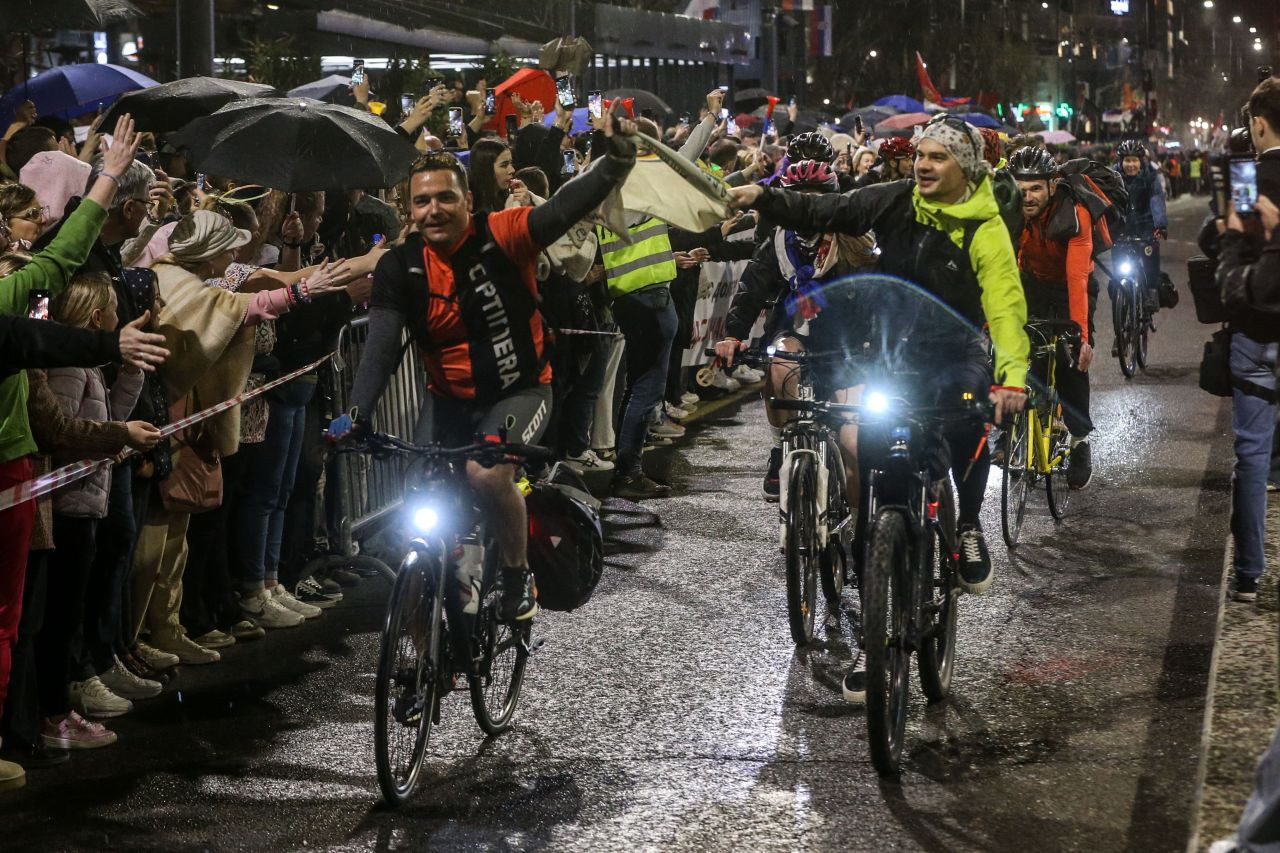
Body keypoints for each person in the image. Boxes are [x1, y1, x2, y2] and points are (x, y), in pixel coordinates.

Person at [728, 116, 1029, 706]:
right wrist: (764, 194)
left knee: (972, 422)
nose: (924, 165)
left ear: (964, 167)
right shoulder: (894, 200)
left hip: (957, 353)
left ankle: (966, 525)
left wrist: (1012, 377)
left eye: (939, 157)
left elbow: (1007, 305)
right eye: (921, 155)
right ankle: (872, 638)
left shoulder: (986, 229)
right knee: (872, 478)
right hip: (895, 354)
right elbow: (826, 213)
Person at [329, 110, 641, 622]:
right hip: (449, 399)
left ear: (468, 201)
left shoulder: (502, 233)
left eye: (445, 197)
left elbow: (562, 210)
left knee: (487, 473)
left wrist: (612, 165)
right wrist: (356, 413)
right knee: (421, 499)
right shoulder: (400, 266)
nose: (434, 210)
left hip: (521, 390)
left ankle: (519, 575)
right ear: (407, 210)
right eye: (422, 201)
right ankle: (429, 636)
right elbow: (381, 345)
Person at [0, 113, 143, 792]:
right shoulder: (10, 299)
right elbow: (47, 325)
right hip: (12, 472)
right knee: (11, 618)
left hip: (21, 474)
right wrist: (107, 175)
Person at [713, 159, 868, 499]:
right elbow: (751, 287)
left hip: (849, 344)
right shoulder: (778, 241)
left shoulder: (856, 241)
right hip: (796, 332)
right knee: (780, 366)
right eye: (797, 198)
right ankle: (781, 447)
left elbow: (881, 291)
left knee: (853, 444)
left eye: (813, 199)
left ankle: (859, 536)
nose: (805, 208)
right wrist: (731, 335)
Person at [1008, 145, 1095, 488]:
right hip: (1031, 283)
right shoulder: (1011, 211)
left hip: (1069, 286)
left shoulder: (1073, 214)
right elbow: (1006, 266)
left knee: (1069, 358)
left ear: (1051, 186)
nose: (1027, 197)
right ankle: (1018, 426)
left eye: (1035, 189)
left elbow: (1077, 279)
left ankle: (1079, 440)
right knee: (1017, 351)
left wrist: (1082, 338)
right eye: (1021, 188)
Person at [1113, 139, 1168, 320]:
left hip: (1145, 226)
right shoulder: (1112, 177)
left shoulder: (1150, 177)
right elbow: (1105, 201)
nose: (1131, 165)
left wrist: (1159, 225)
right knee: (1116, 278)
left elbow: (1156, 200)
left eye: (1134, 160)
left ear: (1141, 161)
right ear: (1121, 162)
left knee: (1151, 252)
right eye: (1127, 160)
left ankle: (1151, 290)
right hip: (1121, 227)